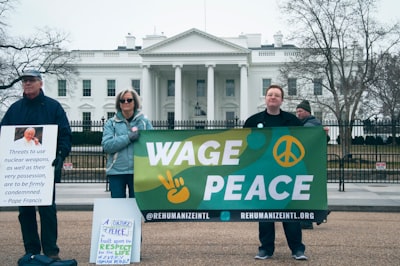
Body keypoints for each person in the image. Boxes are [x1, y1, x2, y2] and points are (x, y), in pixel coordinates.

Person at [0, 69, 72, 260]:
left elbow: (65, 135)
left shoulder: (54, 107)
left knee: (47, 210)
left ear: (40, 83)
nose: (27, 84)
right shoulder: (14, 109)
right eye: (24, 81)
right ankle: (31, 250)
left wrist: (61, 155)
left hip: (44, 168)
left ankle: (51, 250)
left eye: (31, 80)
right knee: (25, 212)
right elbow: (4, 137)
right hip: (21, 170)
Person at [243, 84, 307, 261]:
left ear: (281, 100)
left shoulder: (292, 121)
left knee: (291, 214)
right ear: (265, 98)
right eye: (270, 94)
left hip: (288, 174)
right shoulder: (253, 121)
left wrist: (322, 134)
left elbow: (306, 143)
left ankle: (297, 249)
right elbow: (245, 147)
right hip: (262, 175)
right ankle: (265, 249)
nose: (273, 97)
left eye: (276, 95)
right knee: (265, 215)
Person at [102, 88, 153, 198]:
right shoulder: (111, 123)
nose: (125, 102)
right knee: (117, 208)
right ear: (119, 104)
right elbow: (107, 145)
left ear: (135, 102)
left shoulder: (144, 122)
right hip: (116, 172)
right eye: (122, 100)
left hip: (138, 171)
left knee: (136, 207)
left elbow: (152, 144)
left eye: (129, 100)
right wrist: (128, 138)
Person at [296, 99, 330, 229]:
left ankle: (308, 220)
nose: (298, 114)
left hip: (308, 163)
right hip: (310, 163)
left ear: (307, 112)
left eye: (300, 111)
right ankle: (320, 213)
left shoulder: (309, 125)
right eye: (297, 111)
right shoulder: (310, 123)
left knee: (305, 190)